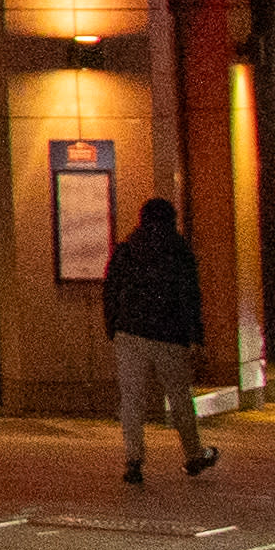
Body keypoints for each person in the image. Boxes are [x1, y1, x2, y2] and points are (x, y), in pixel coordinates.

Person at [104, 193, 220, 483]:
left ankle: (134, 460)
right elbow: (190, 297)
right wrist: (196, 337)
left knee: (132, 398)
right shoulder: (179, 251)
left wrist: (113, 325)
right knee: (179, 396)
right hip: (170, 335)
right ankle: (193, 453)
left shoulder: (127, 249)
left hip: (130, 333)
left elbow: (111, 290)